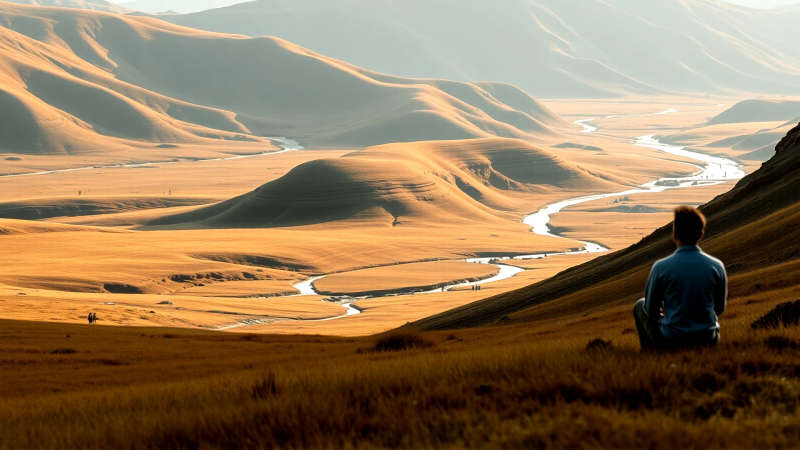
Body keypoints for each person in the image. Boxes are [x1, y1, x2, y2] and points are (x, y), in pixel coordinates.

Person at [634, 206, 727, 350]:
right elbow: (719, 308)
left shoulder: (661, 267)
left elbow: (651, 310)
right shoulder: (716, 266)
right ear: (701, 234)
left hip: (673, 340)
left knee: (640, 305)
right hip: (708, 339)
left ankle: (650, 353)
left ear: (675, 234)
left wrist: (668, 315)